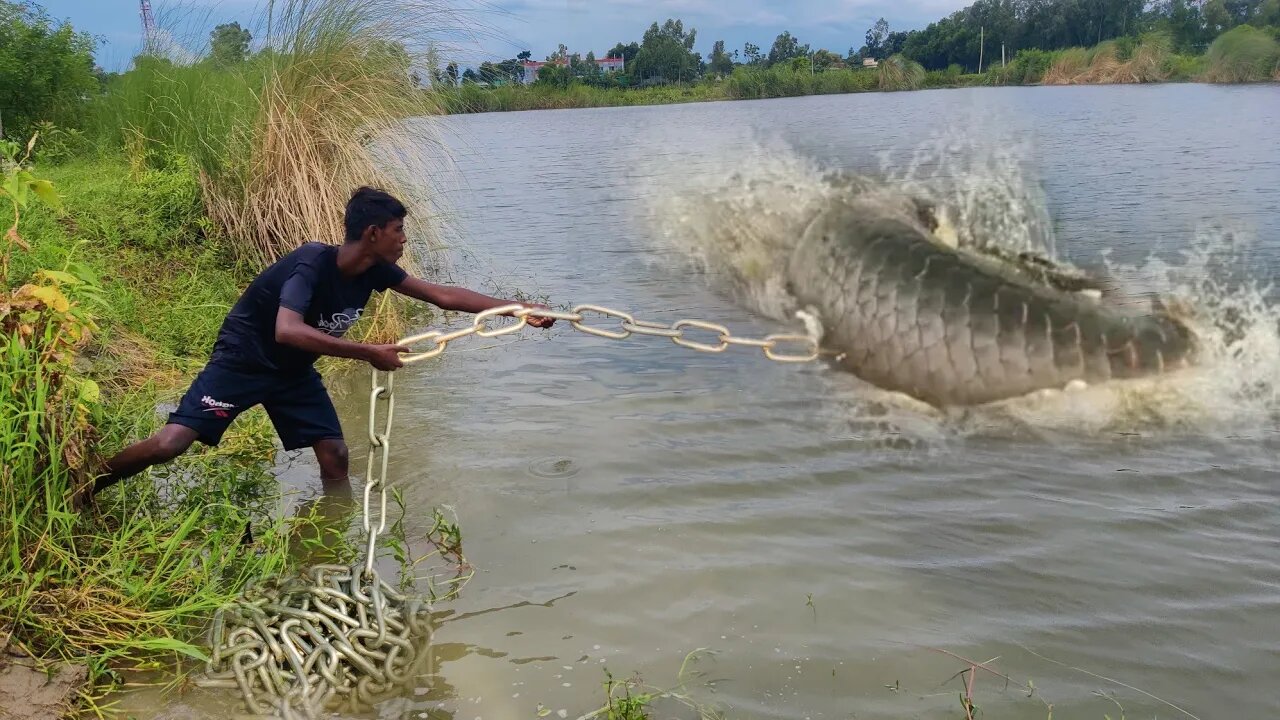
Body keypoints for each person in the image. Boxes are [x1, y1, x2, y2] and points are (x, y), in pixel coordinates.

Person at [89, 186, 553, 502]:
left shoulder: (375, 271)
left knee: (336, 457)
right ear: (373, 233)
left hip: (293, 373)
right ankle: (85, 485)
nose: (403, 239)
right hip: (243, 361)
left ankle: (332, 540)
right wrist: (369, 352)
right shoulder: (312, 261)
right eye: (397, 230)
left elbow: (441, 294)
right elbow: (286, 329)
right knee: (171, 443)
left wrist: (515, 308)